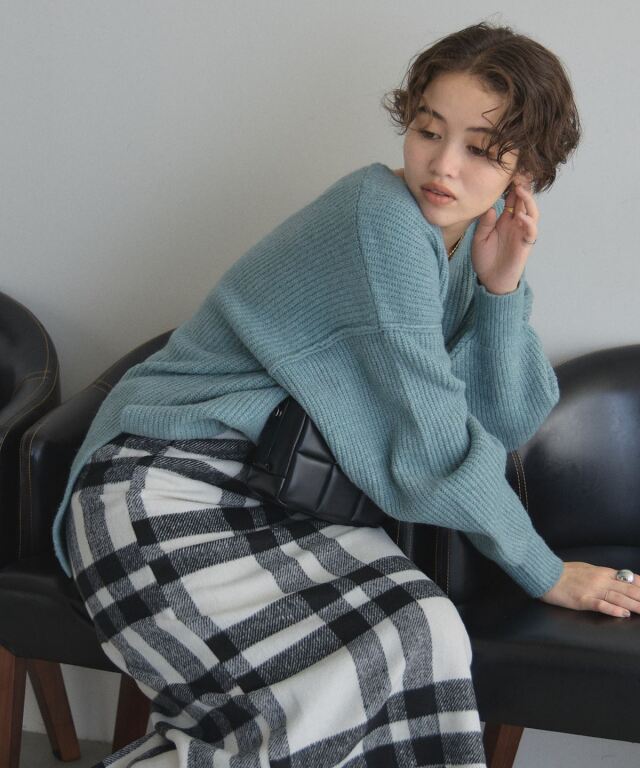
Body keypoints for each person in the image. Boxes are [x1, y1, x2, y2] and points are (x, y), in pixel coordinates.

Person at [51, 20, 636, 768]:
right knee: (320, 700)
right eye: (428, 131)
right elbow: (433, 446)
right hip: (163, 483)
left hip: (282, 499)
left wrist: (500, 291)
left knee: (424, 632)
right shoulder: (380, 217)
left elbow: (501, 419)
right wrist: (544, 570)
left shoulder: (470, 240)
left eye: (482, 149)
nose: (443, 165)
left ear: (528, 168)